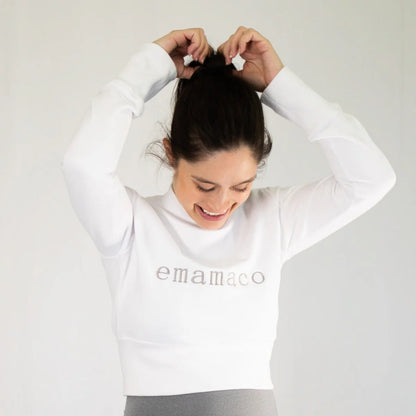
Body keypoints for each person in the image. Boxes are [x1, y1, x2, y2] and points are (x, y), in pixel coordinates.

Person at [61, 27, 396, 416]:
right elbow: (82, 166)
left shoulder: (271, 220)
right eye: (204, 185)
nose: (221, 203)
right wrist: (148, 69)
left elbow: (372, 178)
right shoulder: (131, 226)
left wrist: (279, 85)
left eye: (241, 186)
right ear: (171, 154)